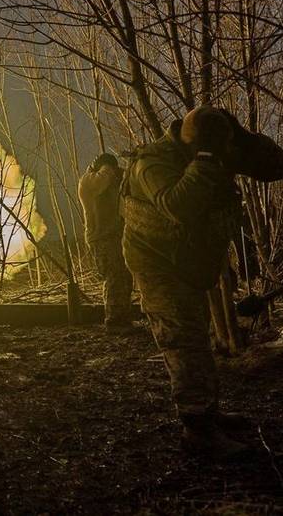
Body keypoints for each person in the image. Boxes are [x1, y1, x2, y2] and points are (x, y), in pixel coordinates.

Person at [121, 106, 283, 459]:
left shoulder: (212, 146)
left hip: (192, 260)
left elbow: (273, 166)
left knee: (198, 334)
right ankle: (197, 428)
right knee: (184, 339)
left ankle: (209, 413)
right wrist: (208, 158)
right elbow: (179, 205)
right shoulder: (151, 162)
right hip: (157, 264)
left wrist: (241, 140)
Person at [78, 153, 135, 334]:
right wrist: (110, 167)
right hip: (101, 237)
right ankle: (115, 323)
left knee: (123, 277)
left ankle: (122, 319)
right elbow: (101, 182)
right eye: (109, 168)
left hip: (115, 235)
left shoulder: (109, 180)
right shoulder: (88, 181)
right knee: (114, 277)